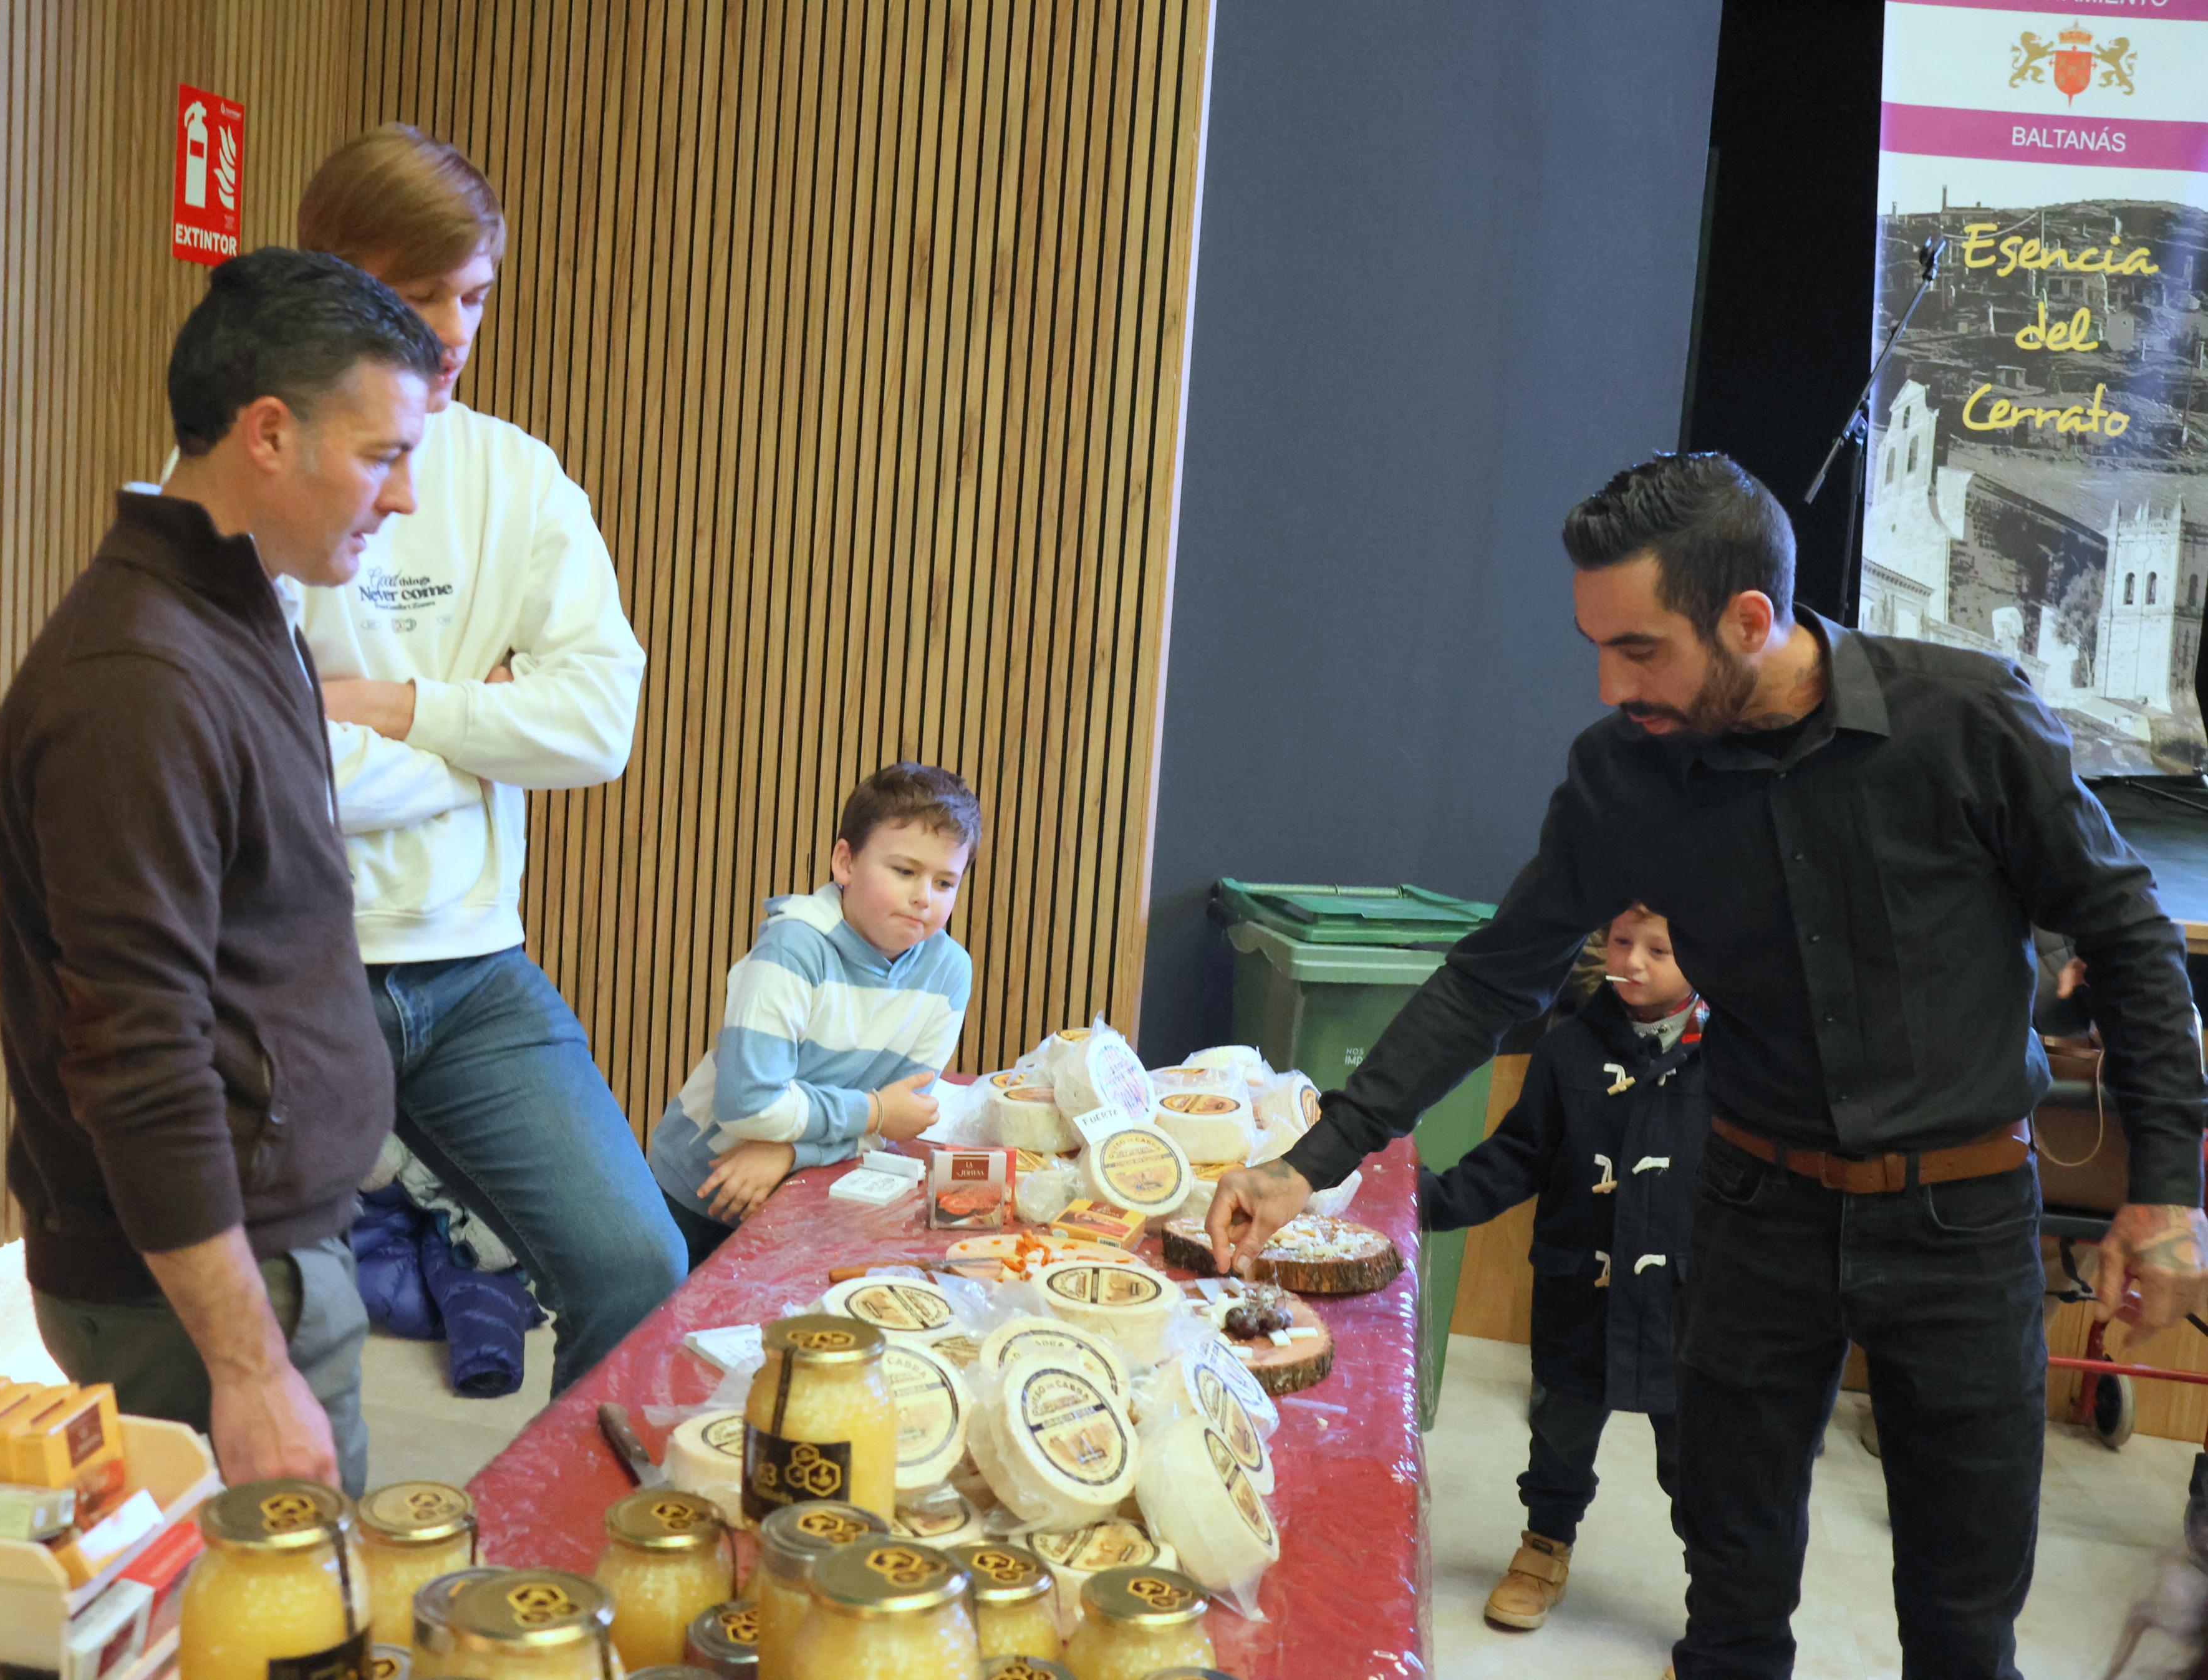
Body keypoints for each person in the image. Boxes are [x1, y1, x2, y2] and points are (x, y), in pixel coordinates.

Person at [1207, 451, 2208, 1679]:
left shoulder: (1962, 720)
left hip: (1959, 1226)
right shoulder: (1623, 775)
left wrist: (2161, 1188)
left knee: (1959, 1625)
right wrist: (1310, 1161)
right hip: (1747, 1217)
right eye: (1594, 646)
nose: (1606, 682)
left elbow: (2122, 930)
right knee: (1726, 1603)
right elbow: (1492, 973)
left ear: (1747, 620)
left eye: (1638, 649)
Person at [0, 247, 442, 1493]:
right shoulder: (140, 681)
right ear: (267, 434)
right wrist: (248, 1367)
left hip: (276, 1247)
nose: (402, 497)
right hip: (203, 1283)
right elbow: (136, 1057)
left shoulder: (243, 613)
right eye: (380, 454)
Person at [287, 125, 686, 1393]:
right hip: (291, 967)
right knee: (285, 1328)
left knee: (637, 1264)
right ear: (329, 285)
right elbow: (267, 767)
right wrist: (479, 737)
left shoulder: (517, 476)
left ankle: (565, 1576)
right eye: (417, 298)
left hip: (470, 972)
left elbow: (596, 726)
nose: (452, 331)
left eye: (472, 296)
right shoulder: (262, 466)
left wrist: (387, 703)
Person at [1419, 904, 1705, 1634]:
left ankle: (1721, 1605)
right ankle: (1542, 1548)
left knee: (1701, 1462)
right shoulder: (1569, 1047)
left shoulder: (1733, 1057)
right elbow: (1519, 1153)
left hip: (1688, 1303)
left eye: (1659, 949)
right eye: (1620, 942)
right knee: (1560, 1434)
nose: (1633, 962)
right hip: (1581, 1290)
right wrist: (1435, 1200)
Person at [647, 763, 979, 1268]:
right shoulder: (794, 945)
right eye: (904, 871)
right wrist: (874, 1111)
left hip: (809, 1192)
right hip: (697, 1193)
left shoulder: (949, 971)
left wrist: (789, 1152)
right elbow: (748, 1104)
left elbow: (902, 1117)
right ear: (844, 862)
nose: (923, 897)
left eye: (945, 881)